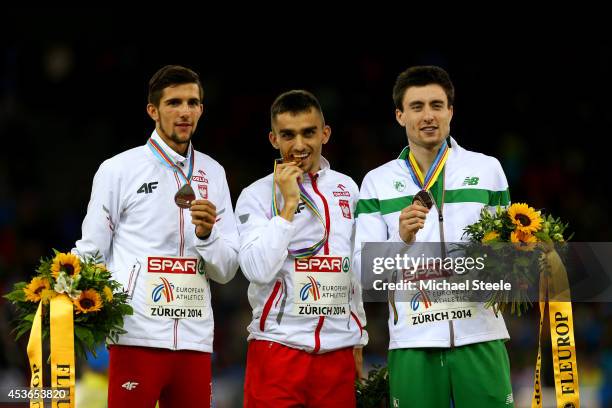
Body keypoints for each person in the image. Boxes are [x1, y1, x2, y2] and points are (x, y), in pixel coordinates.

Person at [73, 65, 239, 408]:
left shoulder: (214, 172)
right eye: (174, 102)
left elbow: (225, 271)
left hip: (195, 338)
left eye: (192, 103)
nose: (184, 111)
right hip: (136, 336)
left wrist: (207, 236)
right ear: (153, 110)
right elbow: (91, 252)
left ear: (201, 110)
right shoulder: (118, 169)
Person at [354, 66, 514, 407]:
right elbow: (363, 274)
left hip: (480, 334)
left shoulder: (487, 170)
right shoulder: (377, 183)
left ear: (450, 111)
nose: (428, 116)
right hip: (414, 339)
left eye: (437, 105)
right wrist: (400, 238)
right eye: (417, 107)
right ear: (400, 115)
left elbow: (508, 256)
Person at [235, 90, 367, 407]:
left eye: (308, 133)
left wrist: (359, 337)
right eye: (288, 135)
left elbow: (353, 266)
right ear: (273, 139)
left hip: (338, 352)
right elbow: (256, 269)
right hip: (277, 350)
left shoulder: (347, 188)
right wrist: (288, 206)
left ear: (325, 133)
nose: (298, 145)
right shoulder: (255, 195)